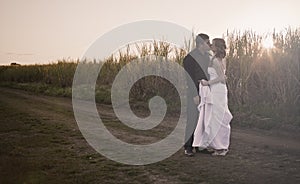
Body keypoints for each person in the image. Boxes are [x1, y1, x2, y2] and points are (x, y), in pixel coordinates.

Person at [193, 38, 233, 156]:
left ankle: (221, 147)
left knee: (218, 117)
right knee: (216, 116)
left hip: (217, 90)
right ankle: (219, 145)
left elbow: (221, 78)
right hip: (219, 89)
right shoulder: (219, 59)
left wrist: (207, 83)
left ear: (217, 47)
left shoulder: (215, 61)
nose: (211, 46)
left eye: (213, 44)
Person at [183, 33, 211, 156]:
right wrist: (195, 94)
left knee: (204, 118)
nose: (209, 45)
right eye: (207, 42)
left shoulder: (207, 57)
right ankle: (188, 146)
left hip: (207, 91)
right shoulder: (189, 58)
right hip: (194, 92)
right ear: (200, 43)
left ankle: (200, 145)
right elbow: (189, 78)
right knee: (193, 118)